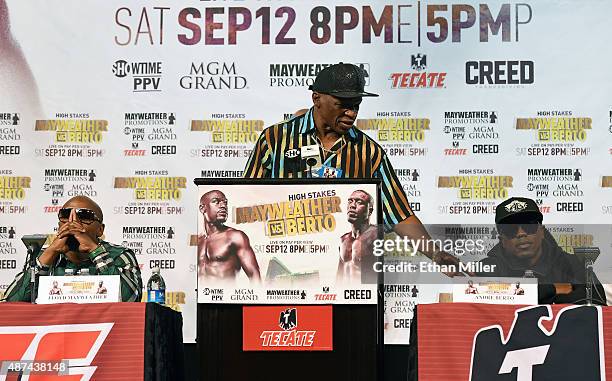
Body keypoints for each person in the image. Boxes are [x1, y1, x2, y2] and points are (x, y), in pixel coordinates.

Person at [244, 62, 463, 274]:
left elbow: (399, 214)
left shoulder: (369, 152)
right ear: (316, 99)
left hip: (344, 274)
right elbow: (244, 198)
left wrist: (434, 253)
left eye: (356, 105)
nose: (351, 113)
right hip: (283, 267)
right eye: (343, 104)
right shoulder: (274, 140)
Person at [2, 196, 142, 302]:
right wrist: (50, 252)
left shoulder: (119, 255)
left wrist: (95, 250)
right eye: (65, 215)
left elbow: (131, 299)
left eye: (84, 216)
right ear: (59, 224)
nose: (73, 222)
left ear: (100, 230)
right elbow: (11, 303)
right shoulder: (43, 255)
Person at [478, 197, 606, 305]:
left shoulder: (571, 264)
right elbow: (479, 295)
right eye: (511, 229)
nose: (521, 233)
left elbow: (595, 302)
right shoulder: (488, 267)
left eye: (529, 226)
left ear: (542, 231)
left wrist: (519, 296)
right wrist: (552, 290)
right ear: (502, 240)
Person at [198, 190, 261, 283]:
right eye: (216, 201)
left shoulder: (235, 237)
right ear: (203, 208)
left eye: (225, 203)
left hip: (227, 296)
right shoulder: (198, 241)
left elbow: (254, 276)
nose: (223, 206)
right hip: (201, 297)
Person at [337, 190, 379, 284]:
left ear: (370, 210)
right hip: (345, 295)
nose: (352, 205)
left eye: (359, 202)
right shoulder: (343, 239)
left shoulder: (376, 235)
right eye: (350, 201)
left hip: (368, 295)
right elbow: (340, 276)